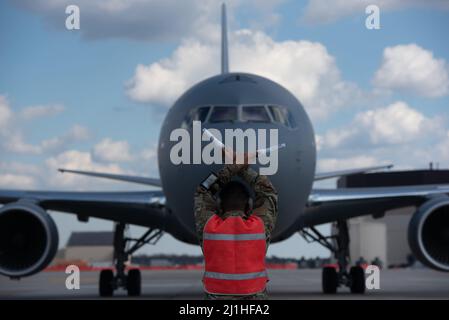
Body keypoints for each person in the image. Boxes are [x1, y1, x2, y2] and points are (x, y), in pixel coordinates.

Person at [194, 153, 278, 300]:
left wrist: (233, 167)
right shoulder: (259, 226)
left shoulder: (208, 226)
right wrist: (242, 167)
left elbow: (203, 191)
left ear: (219, 206)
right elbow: (268, 192)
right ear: (249, 206)